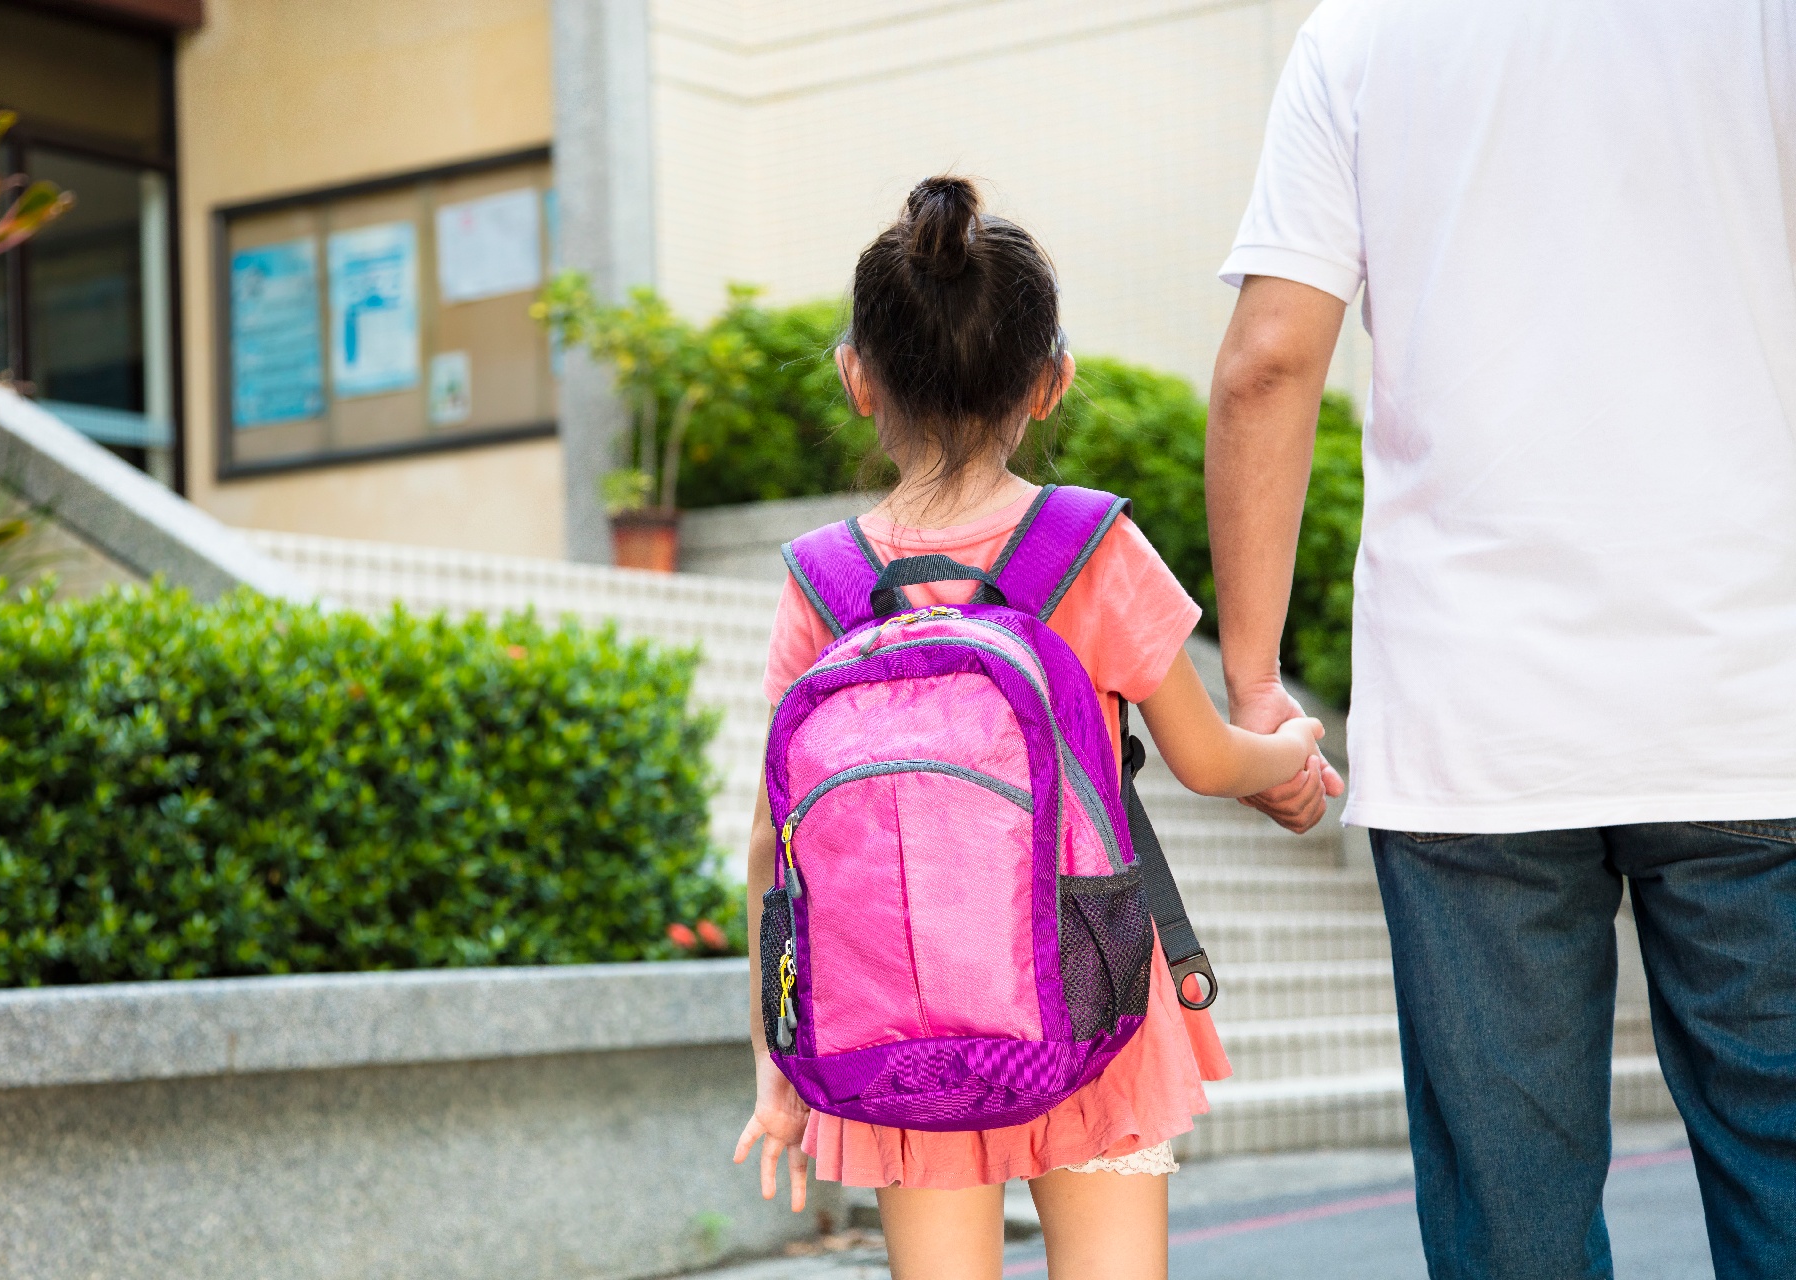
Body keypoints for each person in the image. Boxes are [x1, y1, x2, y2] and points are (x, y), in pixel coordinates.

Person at [1205, 2, 1796, 1277]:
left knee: (1510, 1227)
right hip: (1754, 701)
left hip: (1473, 726)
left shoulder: (1362, 38)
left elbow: (1267, 360)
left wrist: (1252, 684)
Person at [731, 176, 1333, 1280]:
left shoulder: (821, 583)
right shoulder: (1088, 543)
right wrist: (1286, 756)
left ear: (856, 377)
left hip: (896, 1022)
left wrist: (777, 1052)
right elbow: (1205, 759)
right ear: (1050, 381)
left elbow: (778, 839)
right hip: (1091, 984)